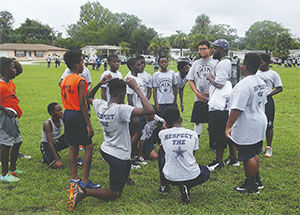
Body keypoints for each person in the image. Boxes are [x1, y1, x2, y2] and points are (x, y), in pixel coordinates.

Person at [69, 77, 154, 208]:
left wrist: (99, 83)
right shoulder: (121, 109)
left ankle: (124, 176)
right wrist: (136, 88)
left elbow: (87, 98)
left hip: (106, 150)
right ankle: (82, 191)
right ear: (121, 94)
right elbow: (150, 111)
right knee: (115, 193)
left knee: (120, 170)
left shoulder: (100, 105)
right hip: (119, 156)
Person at [59, 50, 100, 212]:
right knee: (88, 146)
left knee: (73, 146)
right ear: (77, 64)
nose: (84, 65)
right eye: (83, 62)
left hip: (67, 113)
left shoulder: (65, 79)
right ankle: (84, 180)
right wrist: (88, 124)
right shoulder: (80, 80)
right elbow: (83, 103)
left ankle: (74, 178)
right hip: (77, 114)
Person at [226, 53, 267, 193]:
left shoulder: (243, 85)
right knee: (254, 152)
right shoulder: (260, 82)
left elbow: (237, 108)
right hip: (259, 120)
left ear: (244, 67)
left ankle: (251, 185)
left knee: (247, 155)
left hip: (248, 122)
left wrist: (228, 126)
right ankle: (256, 180)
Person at [158, 106, 210, 203]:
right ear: (181, 119)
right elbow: (192, 154)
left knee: (161, 150)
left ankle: (164, 184)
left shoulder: (162, 134)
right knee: (205, 171)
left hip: (170, 177)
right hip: (193, 176)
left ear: (165, 122)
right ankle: (187, 185)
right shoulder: (193, 134)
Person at [206, 39, 239, 171]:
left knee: (218, 131)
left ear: (222, 50)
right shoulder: (225, 62)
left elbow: (220, 84)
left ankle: (218, 161)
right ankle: (233, 158)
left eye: (215, 48)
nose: (213, 50)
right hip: (225, 104)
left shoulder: (223, 63)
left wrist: (209, 77)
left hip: (219, 105)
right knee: (226, 130)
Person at [187, 40, 218, 140]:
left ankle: (214, 145)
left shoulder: (216, 62)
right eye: (200, 49)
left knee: (213, 123)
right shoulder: (196, 63)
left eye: (204, 49)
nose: (202, 51)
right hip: (199, 98)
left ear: (209, 49)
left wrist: (212, 91)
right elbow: (190, 80)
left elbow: (221, 80)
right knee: (198, 122)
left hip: (213, 98)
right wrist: (197, 93)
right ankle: (195, 144)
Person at [0, 57, 23, 183]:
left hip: (13, 117)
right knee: (6, 144)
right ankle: (4, 173)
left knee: (17, 141)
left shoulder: (10, 83)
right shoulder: (0, 85)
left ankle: (13, 168)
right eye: (12, 68)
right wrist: (4, 109)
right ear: (5, 70)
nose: (15, 70)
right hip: (5, 118)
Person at [256, 53, 283, 157]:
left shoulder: (273, 74)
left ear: (267, 62)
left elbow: (280, 88)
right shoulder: (256, 73)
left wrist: (269, 94)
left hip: (268, 102)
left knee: (269, 124)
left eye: (261, 62)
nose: (260, 64)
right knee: (257, 123)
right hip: (257, 101)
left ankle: (268, 147)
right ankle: (259, 145)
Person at [125, 58, 148, 167]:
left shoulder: (138, 77)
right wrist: (133, 114)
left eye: (141, 64)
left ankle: (134, 156)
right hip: (136, 112)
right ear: (131, 67)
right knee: (135, 134)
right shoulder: (130, 78)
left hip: (141, 110)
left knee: (138, 134)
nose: (141, 66)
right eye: (138, 65)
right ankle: (128, 158)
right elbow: (129, 97)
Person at [40, 102, 68, 169]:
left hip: (57, 141)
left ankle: (76, 157)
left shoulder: (62, 118)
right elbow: (50, 142)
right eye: (58, 111)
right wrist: (57, 159)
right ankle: (46, 156)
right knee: (59, 166)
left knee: (71, 136)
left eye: (61, 109)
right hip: (47, 145)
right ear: (51, 113)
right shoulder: (48, 124)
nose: (61, 112)